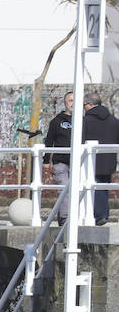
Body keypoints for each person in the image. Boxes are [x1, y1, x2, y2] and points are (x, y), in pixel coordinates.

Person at [82, 90, 119, 225]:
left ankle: (99, 215)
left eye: (84, 105)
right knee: (103, 187)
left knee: (94, 187)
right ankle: (103, 214)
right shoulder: (114, 121)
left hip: (92, 160)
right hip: (109, 160)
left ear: (90, 105)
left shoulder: (86, 121)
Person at [42, 91, 74, 220]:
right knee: (64, 189)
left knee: (79, 189)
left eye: (75, 100)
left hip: (78, 161)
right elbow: (49, 141)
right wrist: (46, 160)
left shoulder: (83, 121)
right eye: (70, 100)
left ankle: (76, 217)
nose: (73, 103)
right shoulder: (56, 122)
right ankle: (64, 218)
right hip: (60, 161)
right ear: (65, 103)